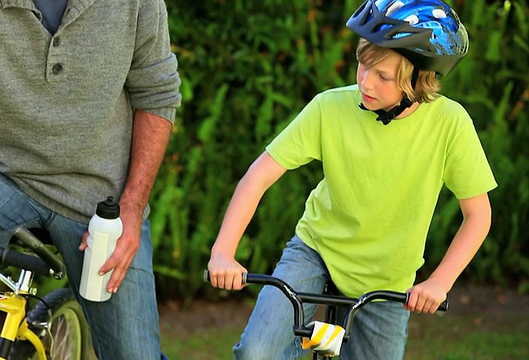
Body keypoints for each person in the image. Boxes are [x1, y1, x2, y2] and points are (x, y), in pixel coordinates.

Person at [0, 0, 181, 359]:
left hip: (101, 199)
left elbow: (157, 94)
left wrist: (132, 207)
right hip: (0, 173)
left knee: (135, 355)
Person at [207, 0, 496, 359]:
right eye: (363, 65)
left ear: (418, 80)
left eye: (383, 76)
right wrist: (223, 252)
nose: (364, 81)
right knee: (256, 352)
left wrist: (440, 282)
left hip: (388, 279)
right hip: (316, 251)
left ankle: (330, 339)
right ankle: (315, 339)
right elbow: (259, 176)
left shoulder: (450, 124)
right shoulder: (330, 107)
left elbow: (478, 215)